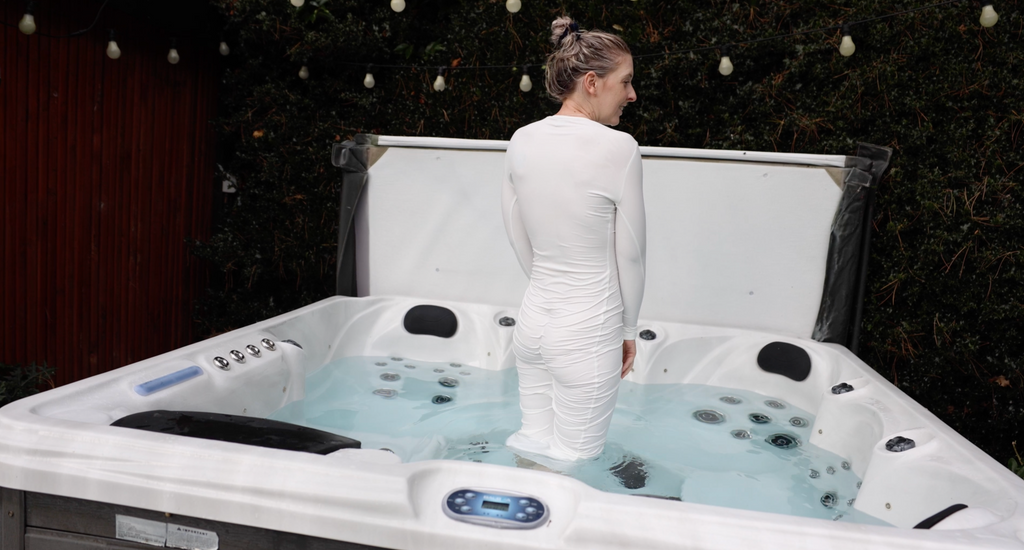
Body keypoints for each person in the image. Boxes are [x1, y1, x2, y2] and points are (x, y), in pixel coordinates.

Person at [501, 16, 646, 464]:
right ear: (591, 82)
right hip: (588, 330)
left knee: (530, 444)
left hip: (533, 325)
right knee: (575, 466)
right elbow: (633, 256)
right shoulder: (620, 148)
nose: (632, 95)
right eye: (625, 82)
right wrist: (627, 331)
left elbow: (516, 233)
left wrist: (549, 286)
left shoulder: (521, 140)